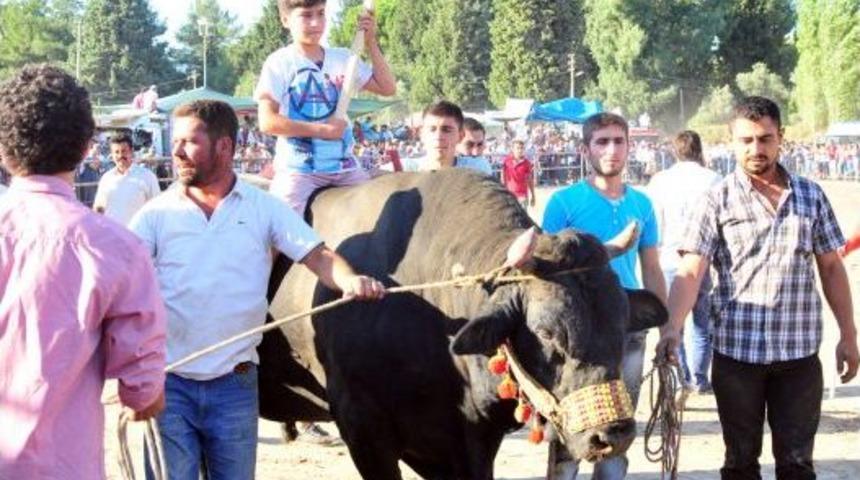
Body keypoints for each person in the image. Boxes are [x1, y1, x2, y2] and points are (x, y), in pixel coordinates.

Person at [130, 100, 386, 480]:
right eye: (176, 141)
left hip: (235, 383)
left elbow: (319, 256)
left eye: (189, 141)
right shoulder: (154, 216)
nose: (177, 152)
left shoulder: (264, 208)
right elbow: (120, 280)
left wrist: (350, 280)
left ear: (224, 147)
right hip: (169, 383)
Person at [656, 96, 859, 479]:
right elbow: (691, 270)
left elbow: (832, 268)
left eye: (765, 139)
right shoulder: (715, 200)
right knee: (740, 463)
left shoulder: (811, 196)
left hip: (799, 356)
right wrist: (672, 328)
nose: (756, 149)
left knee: (797, 465)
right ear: (731, 140)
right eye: (746, 140)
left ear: (781, 137)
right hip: (736, 356)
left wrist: (848, 335)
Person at [0, 64, 166, 479]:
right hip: (59, 465)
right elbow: (143, 392)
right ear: (86, 147)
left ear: (3, 147)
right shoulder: (118, 249)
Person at [542, 112, 667, 479]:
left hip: (628, 325)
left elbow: (652, 268)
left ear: (629, 147)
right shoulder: (563, 203)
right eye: (602, 142)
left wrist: (668, 329)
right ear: (586, 150)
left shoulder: (642, 204)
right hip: (577, 337)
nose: (611, 150)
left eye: (618, 141)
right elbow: (547, 271)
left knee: (618, 427)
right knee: (568, 429)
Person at [255, 0, 396, 216]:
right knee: (278, 228)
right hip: (298, 170)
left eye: (320, 13)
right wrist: (322, 130)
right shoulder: (279, 63)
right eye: (306, 15)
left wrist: (371, 43)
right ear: (285, 20)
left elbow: (387, 87)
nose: (315, 22)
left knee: (382, 216)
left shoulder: (344, 58)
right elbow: (267, 121)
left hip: (345, 167)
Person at [647, 130, 721, 392]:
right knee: (702, 322)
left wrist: (654, 253)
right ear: (699, 150)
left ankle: (682, 378)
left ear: (674, 151)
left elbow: (655, 222)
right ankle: (699, 378)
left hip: (669, 257)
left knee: (673, 324)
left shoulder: (659, 181)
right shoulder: (713, 179)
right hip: (702, 259)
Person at [93, 134, 162, 225]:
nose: (120, 155)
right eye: (116, 152)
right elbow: (98, 208)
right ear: (112, 154)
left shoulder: (147, 176)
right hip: (112, 231)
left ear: (131, 152)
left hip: (138, 231)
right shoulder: (106, 178)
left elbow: (157, 208)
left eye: (124, 151)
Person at [502, 139, 536, 209]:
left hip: (522, 196)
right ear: (513, 149)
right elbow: (503, 177)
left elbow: (530, 180)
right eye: (518, 148)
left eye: (522, 148)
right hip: (510, 195)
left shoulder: (527, 163)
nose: (520, 150)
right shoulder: (506, 161)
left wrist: (533, 195)